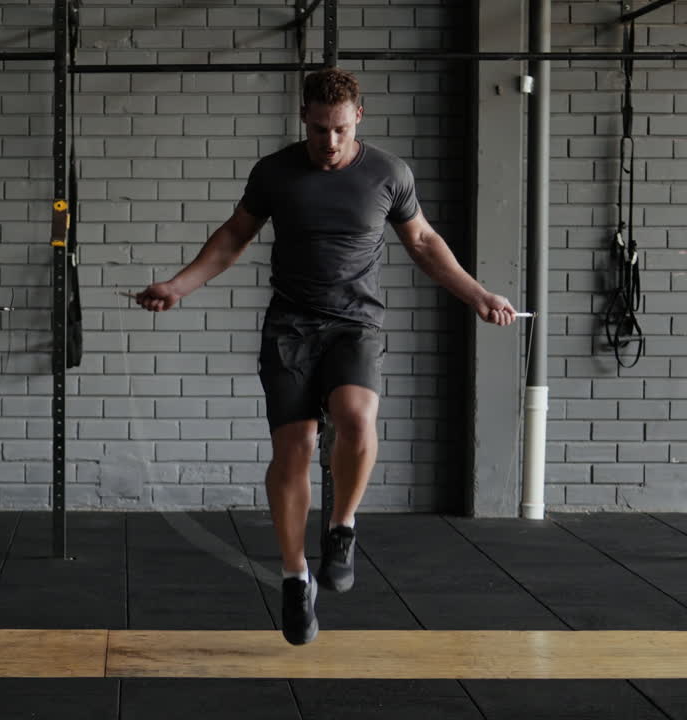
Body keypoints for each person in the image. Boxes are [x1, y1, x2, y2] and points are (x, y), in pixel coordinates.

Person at [134, 67, 517, 645]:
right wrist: (179, 286)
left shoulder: (388, 174)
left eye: (338, 129)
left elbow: (423, 242)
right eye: (318, 130)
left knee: (357, 419)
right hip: (290, 326)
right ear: (304, 119)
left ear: (357, 117)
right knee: (296, 449)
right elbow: (234, 236)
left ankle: (342, 526)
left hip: (354, 324)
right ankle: (295, 577)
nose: (329, 143)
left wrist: (479, 294)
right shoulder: (275, 172)